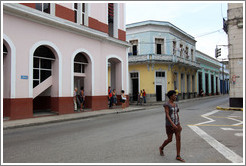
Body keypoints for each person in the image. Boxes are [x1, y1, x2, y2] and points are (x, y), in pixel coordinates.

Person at [159, 90, 185, 162]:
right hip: (169, 125)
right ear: (170, 96)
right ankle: (161, 147)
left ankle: (178, 156)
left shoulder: (176, 104)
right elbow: (167, 115)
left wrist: (178, 124)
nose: (175, 96)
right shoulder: (167, 105)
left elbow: (177, 113)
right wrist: (172, 124)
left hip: (177, 124)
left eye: (175, 95)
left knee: (178, 138)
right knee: (170, 139)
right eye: (174, 95)